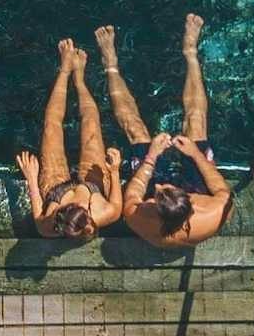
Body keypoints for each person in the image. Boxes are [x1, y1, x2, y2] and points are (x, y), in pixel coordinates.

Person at [95, 15, 233, 248]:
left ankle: (110, 65)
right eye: (163, 188)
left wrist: (151, 156)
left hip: (157, 200)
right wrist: (194, 154)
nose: (158, 186)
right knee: (196, 123)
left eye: (158, 191)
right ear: (189, 201)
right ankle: (190, 52)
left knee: (136, 130)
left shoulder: (140, 218)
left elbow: (133, 196)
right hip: (189, 192)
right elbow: (220, 188)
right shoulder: (217, 211)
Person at [15, 37, 120, 241]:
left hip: (55, 189)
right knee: (91, 122)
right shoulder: (106, 213)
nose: (80, 203)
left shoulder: (48, 226)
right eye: (83, 208)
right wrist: (114, 171)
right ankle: (79, 79)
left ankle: (64, 70)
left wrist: (31, 178)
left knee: (51, 126)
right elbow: (117, 204)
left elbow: (38, 218)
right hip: (93, 188)